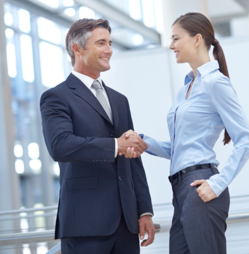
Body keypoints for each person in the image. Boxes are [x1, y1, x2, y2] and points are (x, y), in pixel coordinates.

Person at [125, 12, 249, 254]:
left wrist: (218, 183)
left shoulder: (215, 83)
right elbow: (181, 149)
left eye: (176, 38)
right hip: (180, 189)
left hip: (201, 185)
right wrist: (145, 142)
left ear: (197, 39)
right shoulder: (186, 88)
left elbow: (247, 139)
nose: (171, 45)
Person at [40, 19, 155, 254]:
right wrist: (115, 145)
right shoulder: (57, 97)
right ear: (77, 49)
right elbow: (60, 146)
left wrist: (144, 210)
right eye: (101, 43)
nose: (109, 50)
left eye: (110, 43)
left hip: (126, 223)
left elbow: (132, 158)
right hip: (85, 224)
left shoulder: (120, 100)